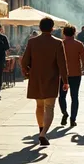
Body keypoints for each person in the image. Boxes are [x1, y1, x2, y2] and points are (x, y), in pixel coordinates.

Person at [21, 17, 68, 146]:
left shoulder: (32, 42)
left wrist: (26, 72)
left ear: (40, 28)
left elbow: (24, 61)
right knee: (49, 107)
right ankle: (43, 133)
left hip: (36, 78)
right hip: (51, 78)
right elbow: (62, 64)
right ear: (52, 28)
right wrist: (65, 81)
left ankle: (41, 129)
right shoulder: (58, 43)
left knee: (39, 106)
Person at [59, 25, 84, 127]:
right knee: (74, 97)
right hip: (76, 74)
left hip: (63, 74)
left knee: (62, 96)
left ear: (64, 33)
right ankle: (73, 119)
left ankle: (64, 113)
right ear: (74, 33)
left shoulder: (60, 44)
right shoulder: (79, 44)